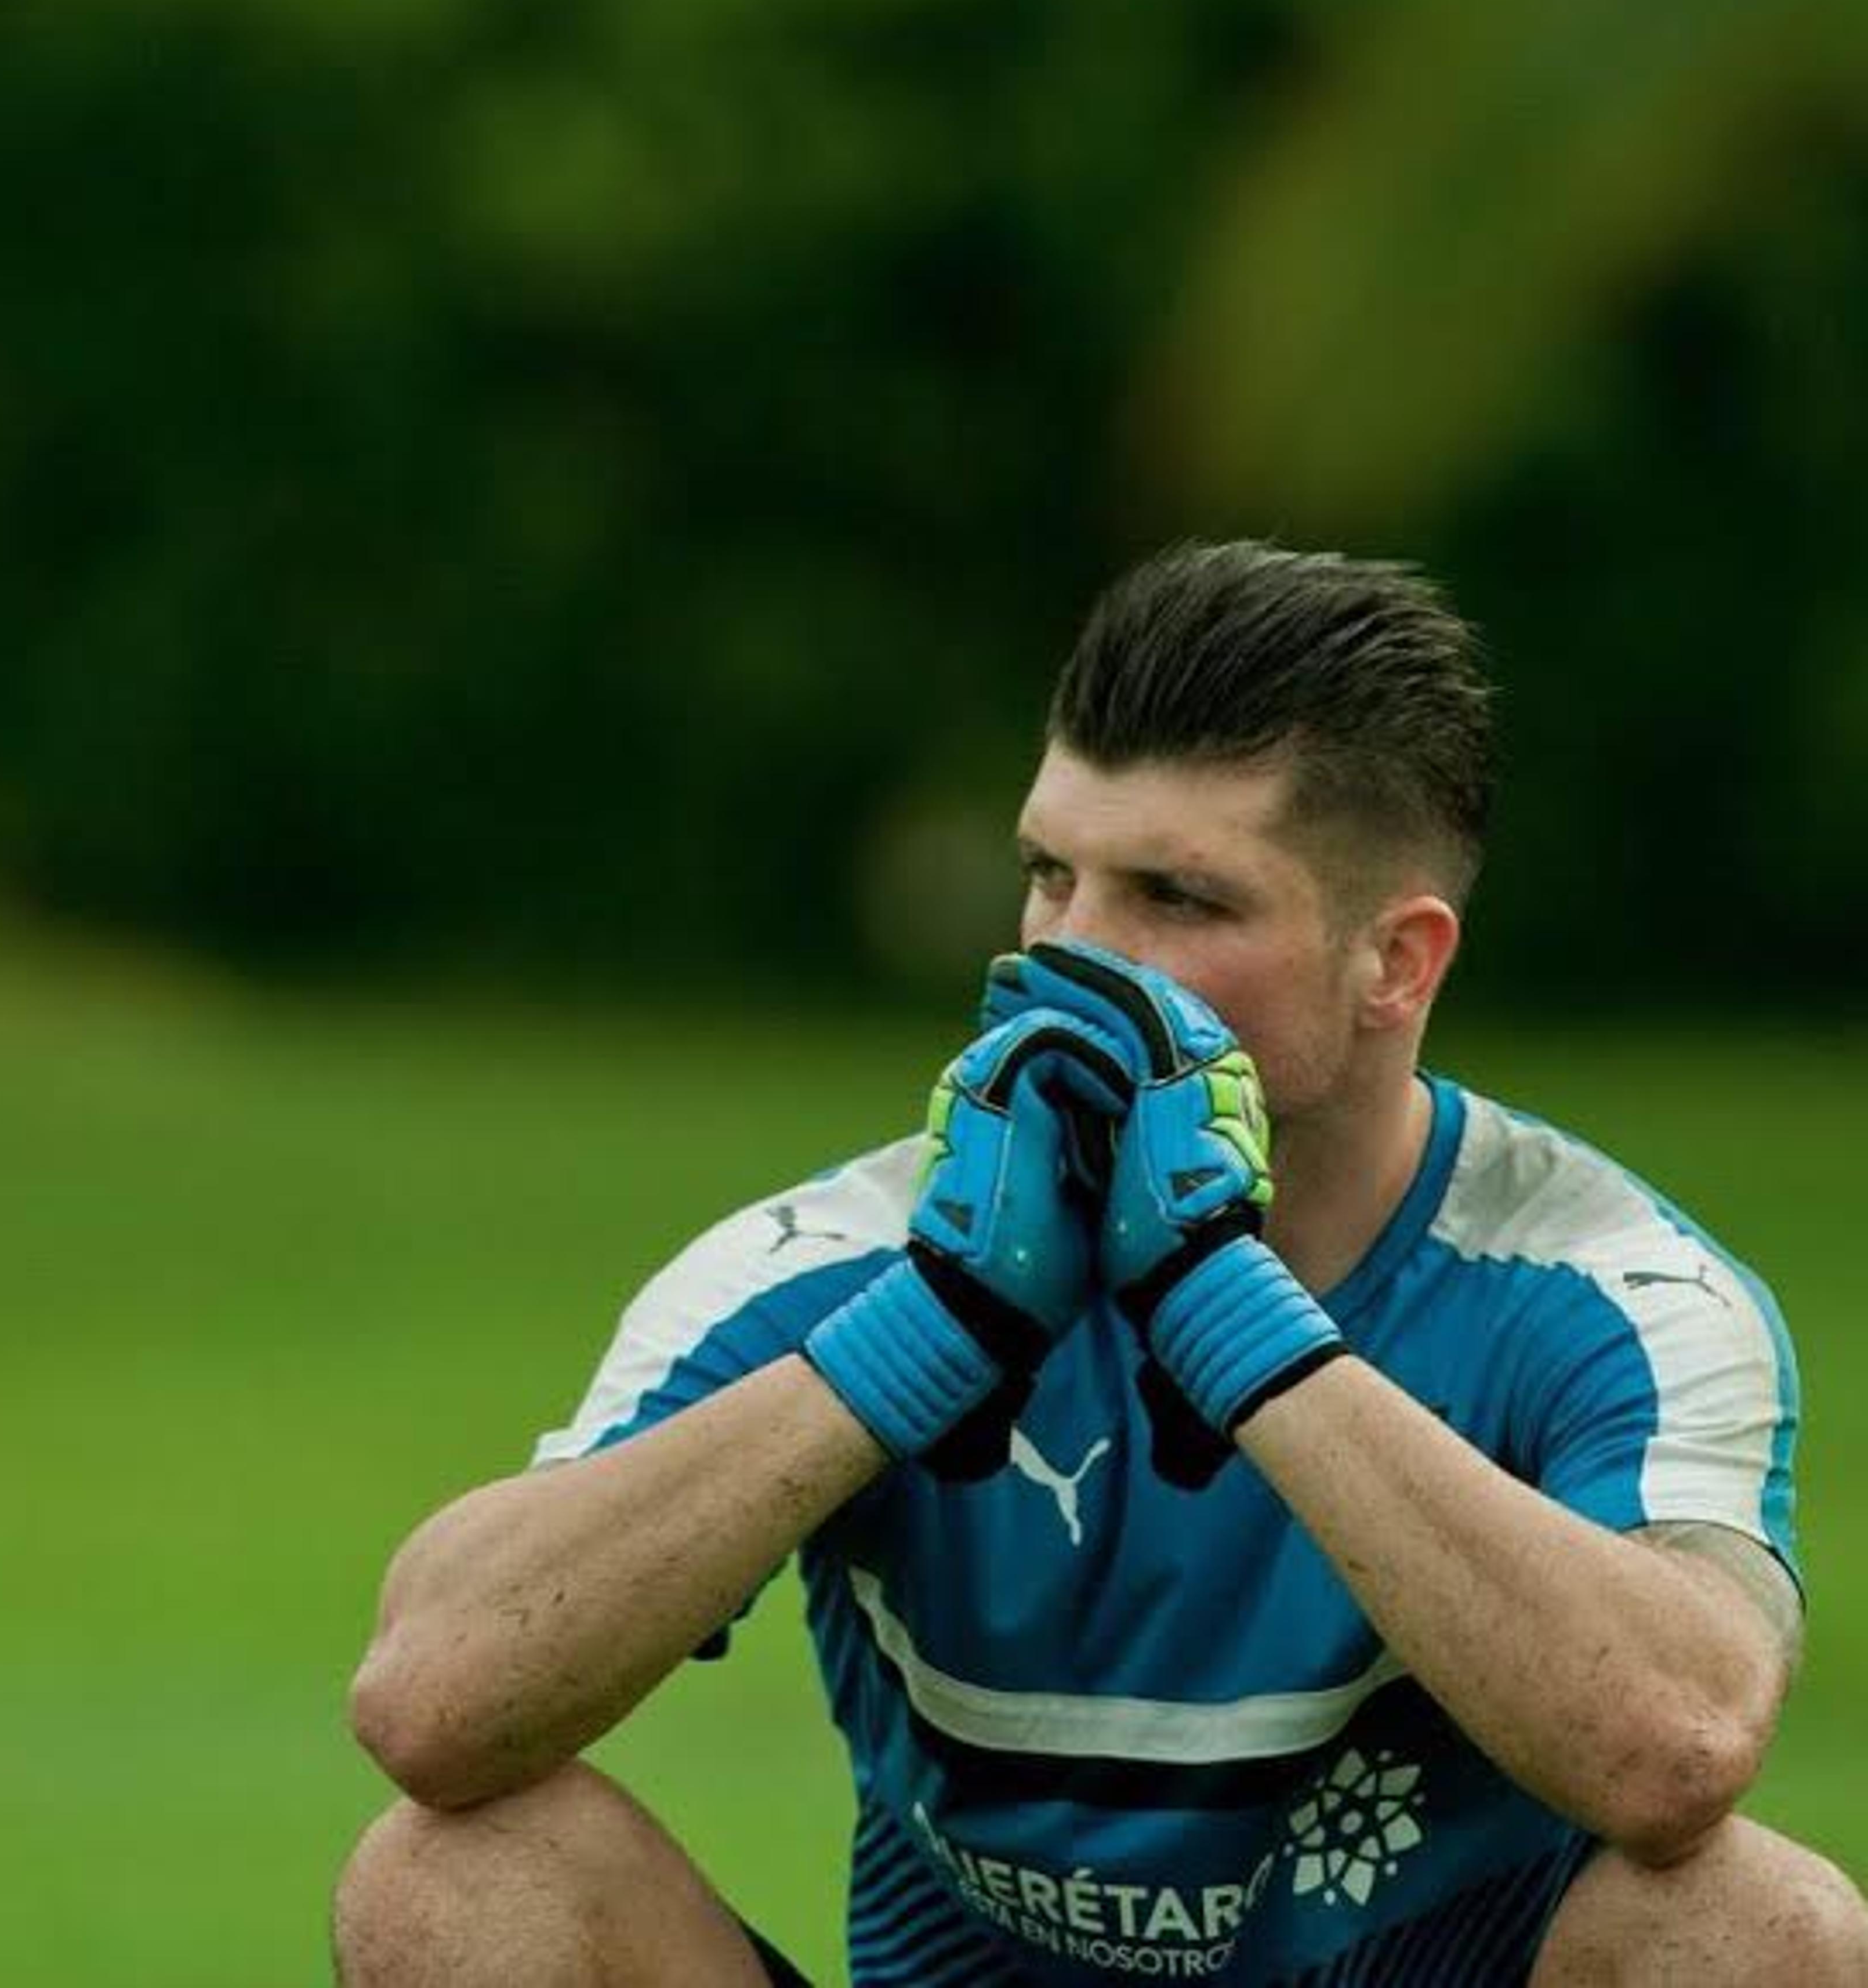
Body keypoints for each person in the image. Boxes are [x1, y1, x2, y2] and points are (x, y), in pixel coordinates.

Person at [335, 542, 1868, 1985]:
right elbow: (432, 1698)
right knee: (458, 1874)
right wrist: (932, 1327)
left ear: (1396, 961)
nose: (1070, 958)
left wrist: (1224, 1312)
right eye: (1049, 874)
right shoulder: (847, 1261)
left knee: (1757, 1927)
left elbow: (1675, 1744)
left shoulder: (1606, 1289)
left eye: (1176, 898)